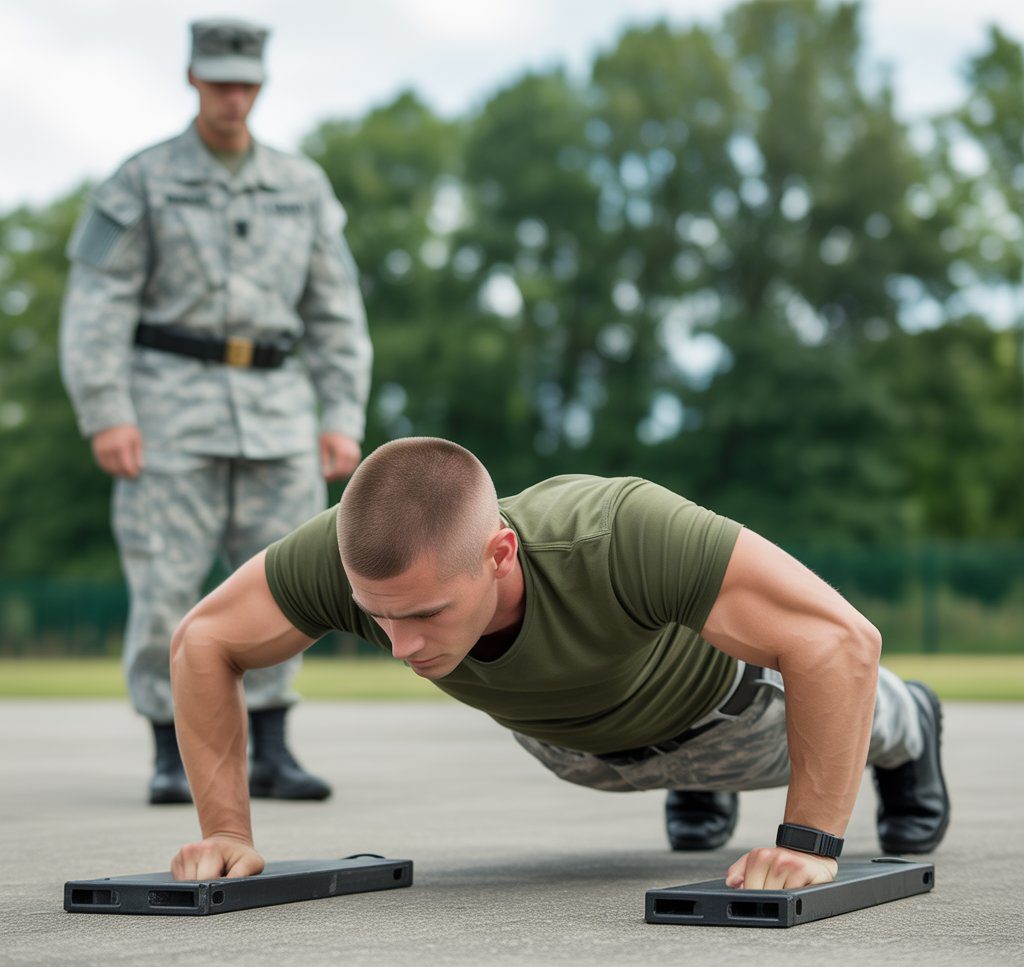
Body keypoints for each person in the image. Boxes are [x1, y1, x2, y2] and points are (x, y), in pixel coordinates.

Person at [167, 438, 949, 890]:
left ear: (499, 553)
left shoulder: (616, 531)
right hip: (578, 753)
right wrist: (226, 832)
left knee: (861, 701)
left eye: (426, 615)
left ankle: (914, 727)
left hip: (739, 723)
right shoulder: (358, 557)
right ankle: (691, 787)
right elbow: (203, 640)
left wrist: (810, 846)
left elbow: (839, 640)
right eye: (377, 618)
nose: (400, 649)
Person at [59, 18, 373, 805]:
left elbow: (337, 311)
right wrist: (106, 410)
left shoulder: (301, 187)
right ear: (193, 80)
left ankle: (270, 746)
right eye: (218, 80)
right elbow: (96, 303)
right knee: (165, 581)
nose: (232, 95)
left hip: (277, 409)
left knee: (286, 581)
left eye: (244, 82)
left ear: (260, 85)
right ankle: (171, 751)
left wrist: (343, 415)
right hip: (168, 407)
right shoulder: (142, 181)